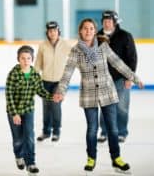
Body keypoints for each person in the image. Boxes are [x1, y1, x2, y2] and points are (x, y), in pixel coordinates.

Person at [53, 18, 143, 173]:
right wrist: (61, 91)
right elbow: (67, 73)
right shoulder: (76, 51)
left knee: (113, 129)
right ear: (80, 31)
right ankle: (91, 158)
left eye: (91, 28)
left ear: (95, 31)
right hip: (89, 96)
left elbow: (118, 63)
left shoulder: (103, 46)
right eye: (85, 28)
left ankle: (116, 159)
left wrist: (134, 77)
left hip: (108, 92)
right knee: (92, 129)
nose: (88, 31)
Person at [5, 45, 54, 175]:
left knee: (29, 136)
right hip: (14, 110)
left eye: (28, 58)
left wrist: (52, 97)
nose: (26, 61)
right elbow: (9, 95)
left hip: (28, 110)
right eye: (23, 58)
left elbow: (40, 91)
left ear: (32, 59)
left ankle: (31, 163)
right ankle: (18, 156)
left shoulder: (34, 75)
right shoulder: (13, 74)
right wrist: (14, 114)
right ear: (18, 59)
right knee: (18, 138)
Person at [97, 10, 138, 143]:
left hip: (121, 78)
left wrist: (129, 77)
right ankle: (104, 132)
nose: (107, 23)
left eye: (109, 21)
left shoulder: (125, 36)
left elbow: (132, 58)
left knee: (121, 107)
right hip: (103, 78)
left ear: (114, 22)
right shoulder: (97, 36)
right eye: (104, 21)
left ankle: (121, 132)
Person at [35, 21, 75, 142]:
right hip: (45, 81)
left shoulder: (66, 44)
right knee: (46, 107)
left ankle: (56, 131)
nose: (53, 33)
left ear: (58, 31)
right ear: (47, 32)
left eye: (55, 31)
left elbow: (76, 58)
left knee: (55, 105)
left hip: (60, 82)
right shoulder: (43, 46)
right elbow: (38, 64)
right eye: (50, 31)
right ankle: (46, 131)